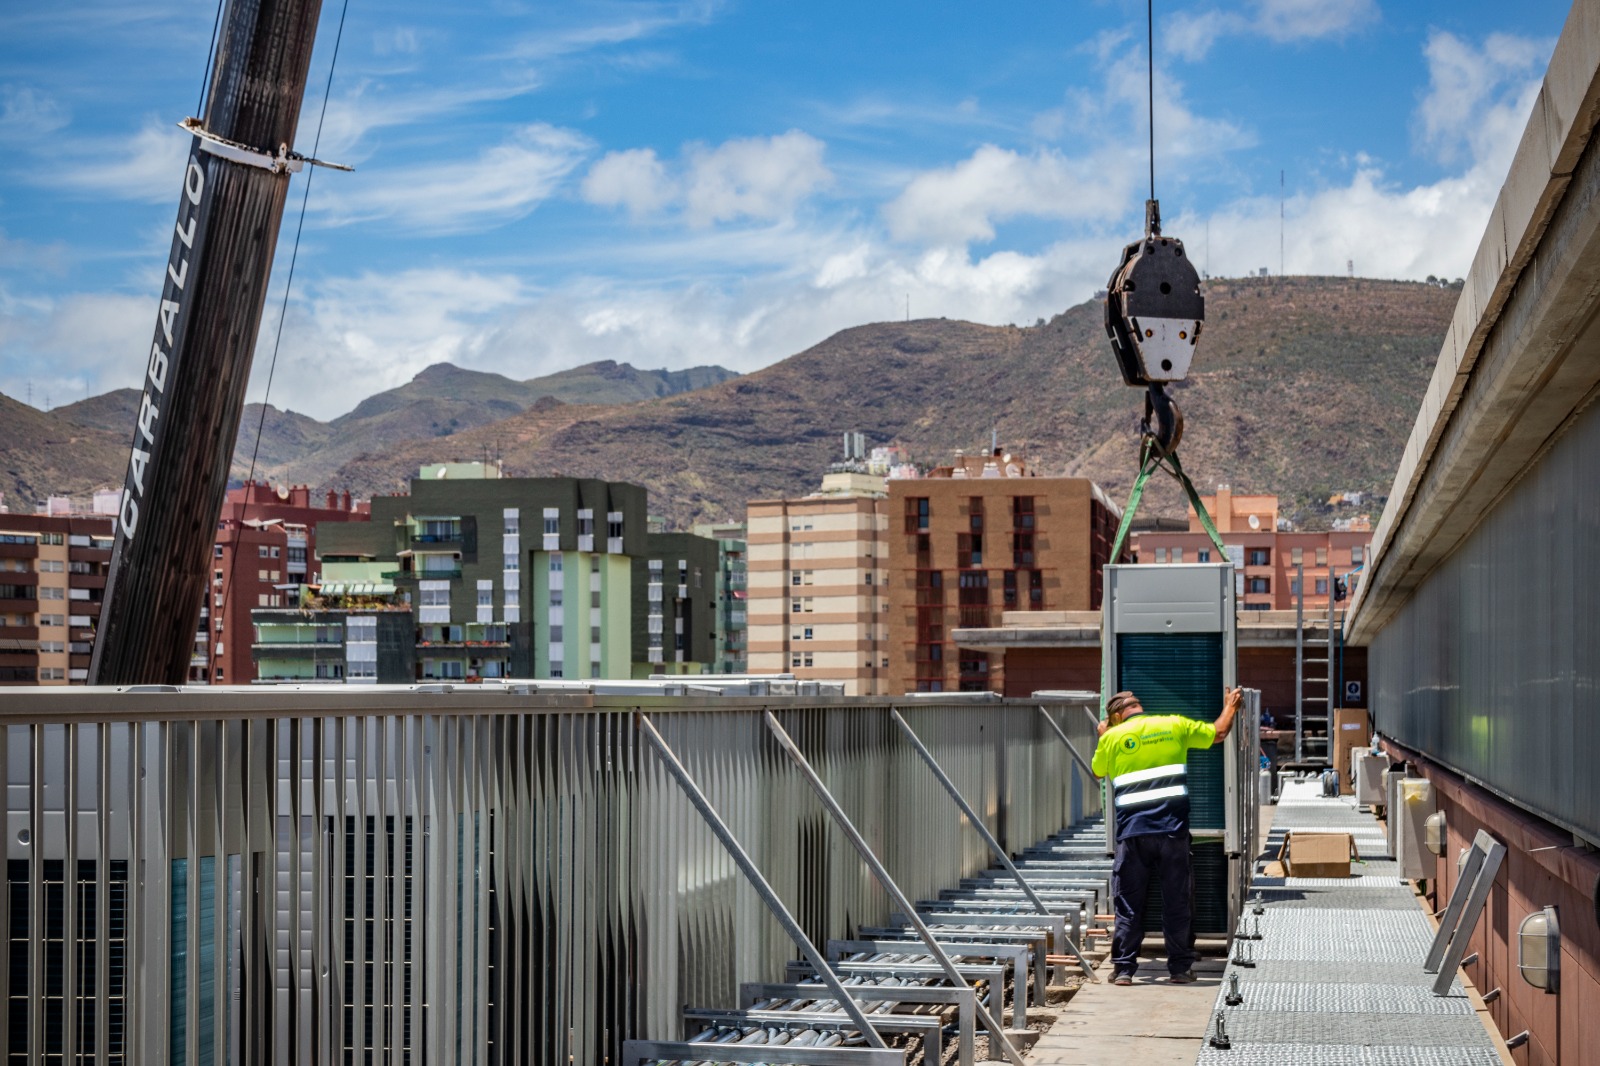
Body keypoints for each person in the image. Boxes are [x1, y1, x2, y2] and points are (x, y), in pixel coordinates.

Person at [1092, 686, 1243, 985]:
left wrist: (1104, 736)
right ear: (1139, 707)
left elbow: (1099, 772)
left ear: (1118, 717)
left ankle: (1123, 970)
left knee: (1128, 902)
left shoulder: (1112, 737)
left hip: (1133, 835)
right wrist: (1230, 706)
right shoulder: (1173, 724)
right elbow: (1219, 733)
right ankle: (1180, 969)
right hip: (1172, 831)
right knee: (1177, 900)